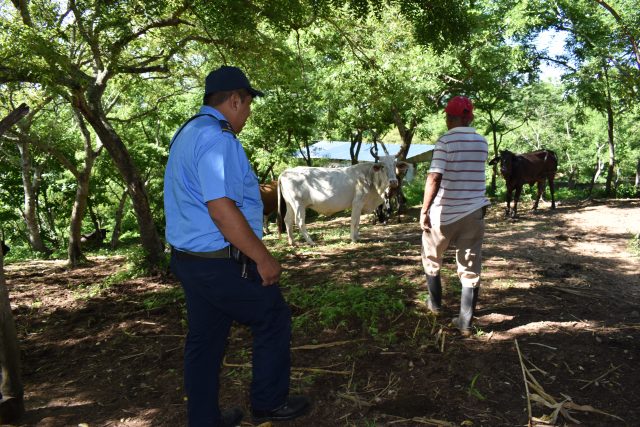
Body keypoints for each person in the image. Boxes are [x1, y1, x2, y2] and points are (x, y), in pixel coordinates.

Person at [164, 65, 310, 427]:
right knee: (272, 315)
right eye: (248, 104)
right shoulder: (219, 139)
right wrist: (263, 258)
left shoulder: (187, 132)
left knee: (205, 338)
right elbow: (221, 209)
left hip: (189, 259)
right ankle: (269, 402)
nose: (248, 112)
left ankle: (204, 419)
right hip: (218, 262)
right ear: (234, 100)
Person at [420, 96, 490, 337]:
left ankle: (435, 305)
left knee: (431, 257)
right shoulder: (482, 142)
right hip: (474, 213)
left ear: (449, 118)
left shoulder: (445, 141)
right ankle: (465, 323)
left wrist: (424, 210)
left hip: (444, 214)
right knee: (470, 267)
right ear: (470, 117)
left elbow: (434, 177)